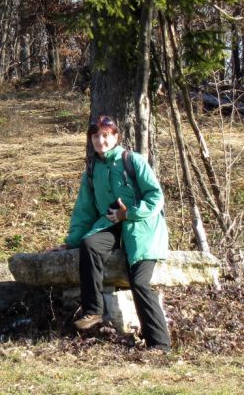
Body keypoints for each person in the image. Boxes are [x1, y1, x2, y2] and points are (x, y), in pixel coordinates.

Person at [53, 115, 172, 352]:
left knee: (139, 281)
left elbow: (156, 197)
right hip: (110, 224)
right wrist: (72, 242)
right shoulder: (91, 170)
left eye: (105, 135)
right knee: (90, 244)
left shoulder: (133, 161)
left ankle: (159, 344)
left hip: (143, 227)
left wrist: (128, 214)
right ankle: (93, 311)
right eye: (96, 136)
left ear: (115, 137)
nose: (101, 140)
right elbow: (84, 211)